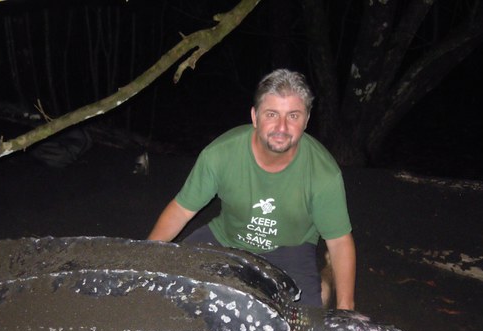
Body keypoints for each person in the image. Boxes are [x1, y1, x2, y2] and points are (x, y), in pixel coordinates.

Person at [147, 69, 355, 310]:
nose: (282, 127)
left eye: (293, 116)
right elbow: (181, 211)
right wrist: (145, 259)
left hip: (290, 248)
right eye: (272, 114)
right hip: (227, 237)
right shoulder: (220, 154)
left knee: (302, 325)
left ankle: (326, 278)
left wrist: (346, 310)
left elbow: (339, 242)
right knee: (167, 288)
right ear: (255, 117)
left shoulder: (323, 173)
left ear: (306, 121)